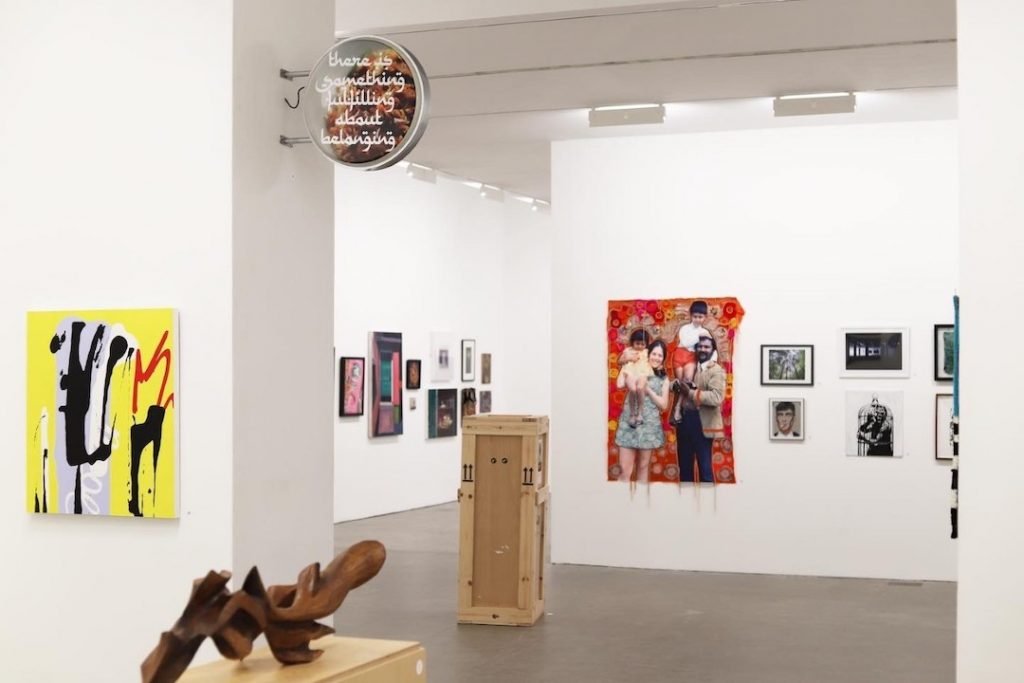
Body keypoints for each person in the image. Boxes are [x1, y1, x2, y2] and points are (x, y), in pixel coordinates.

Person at [615, 340, 671, 490]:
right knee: (625, 470)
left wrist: (649, 391)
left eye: (660, 355)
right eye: (654, 354)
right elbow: (620, 381)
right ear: (647, 354)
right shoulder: (636, 368)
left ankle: (640, 506)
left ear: (663, 358)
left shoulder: (664, 379)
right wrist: (624, 360)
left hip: (649, 427)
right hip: (629, 425)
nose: (656, 358)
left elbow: (663, 405)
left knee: (643, 467)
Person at [673, 335, 725, 483]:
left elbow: (716, 398)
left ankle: (707, 505)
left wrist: (690, 393)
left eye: (706, 347)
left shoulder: (716, 371)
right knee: (685, 470)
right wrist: (674, 385)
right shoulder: (689, 365)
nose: (702, 349)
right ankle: (685, 505)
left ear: (713, 350)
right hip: (684, 422)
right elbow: (676, 384)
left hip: (702, 424)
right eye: (700, 346)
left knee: (705, 470)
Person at [671, 301, 713, 422]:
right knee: (679, 383)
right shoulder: (685, 328)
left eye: (700, 317)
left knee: (687, 381)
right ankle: (677, 407)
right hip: (680, 354)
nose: (697, 319)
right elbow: (685, 342)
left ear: (705, 317)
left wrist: (712, 360)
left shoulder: (706, 332)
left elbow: (711, 347)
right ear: (691, 315)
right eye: (695, 316)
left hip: (691, 357)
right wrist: (700, 336)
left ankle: (678, 407)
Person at [618, 328, 653, 427]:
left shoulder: (647, 351)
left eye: (643, 344)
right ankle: (632, 414)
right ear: (632, 342)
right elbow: (619, 361)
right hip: (630, 373)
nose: (640, 346)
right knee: (632, 389)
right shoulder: (628, 350)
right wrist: (629, 358)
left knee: (640, 388)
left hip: (643, 373)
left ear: (646, 344)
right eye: (637, 343)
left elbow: (653, 362)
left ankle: (640, 413)